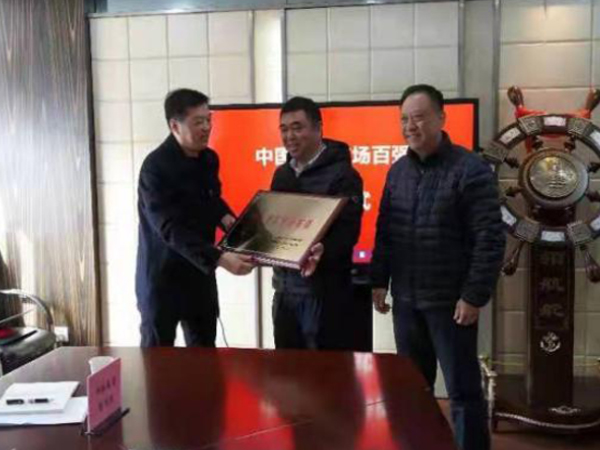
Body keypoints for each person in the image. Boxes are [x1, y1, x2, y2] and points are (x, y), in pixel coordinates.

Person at [371, 84, 506, 450]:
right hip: (406, 301)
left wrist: (474, 295)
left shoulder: (470, 169)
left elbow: (490, 238)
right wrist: (379, 279)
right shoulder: (398, 172)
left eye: (418, 117)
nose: (410, 126)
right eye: (404, 119)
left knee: (462, 391)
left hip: (451, 304)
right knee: (414, 391)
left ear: (441, 119)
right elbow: (386, 230)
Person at [135, 88, 254, 348]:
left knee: (204, 355)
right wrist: (220, 258)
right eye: (198, 122)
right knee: (158, 361)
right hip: (162, 278)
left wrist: (229, 221)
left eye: (209, 120)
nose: (207, 128)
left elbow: (212, 200)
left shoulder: (209, 159)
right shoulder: (155, 168)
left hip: (199, 276)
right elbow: (169, 228)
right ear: (174, 126)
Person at [270, 96, 363, 350]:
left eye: (297, 128)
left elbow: (348, 231)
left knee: (322, 369)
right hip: (284, 291)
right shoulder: (282, 174)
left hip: (324, 294)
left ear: (318, 128)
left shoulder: (344, 175)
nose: (289, 136)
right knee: (287, 368)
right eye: (284, 129)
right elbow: (274, 226)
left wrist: (324, 250)